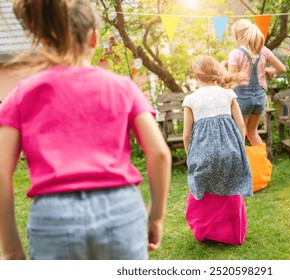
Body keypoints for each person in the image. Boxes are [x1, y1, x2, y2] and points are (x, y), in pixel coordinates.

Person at [0, 0, 171, 260]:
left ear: (45, 40)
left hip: (54, 219)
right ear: (93, 38)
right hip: (121, 211)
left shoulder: (23, 93)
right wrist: (155, 216)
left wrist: (11, 250)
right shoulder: (122, 86)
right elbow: (159, 153)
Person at [182, 55, 252, 245]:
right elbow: (240, 124)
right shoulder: (228, 93)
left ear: (196, 75)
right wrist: (240, 146)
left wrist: (191, 154)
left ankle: (205, 231)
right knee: (231, 187)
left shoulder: (191, 99)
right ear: (216, 72)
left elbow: (186, 134)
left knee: (203, 191)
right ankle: (232, 233)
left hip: (202, 154)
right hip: (230, 150)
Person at [228, 19, 286, 146]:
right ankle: (264, 165)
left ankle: (241, 165)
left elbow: (231, 79)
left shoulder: (235, 53)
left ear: (237, 36)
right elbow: (281, 68)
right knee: (252, 133)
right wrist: (270, 71)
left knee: (239, 133)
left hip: (242, 97)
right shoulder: (263, 50)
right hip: (260, 97)